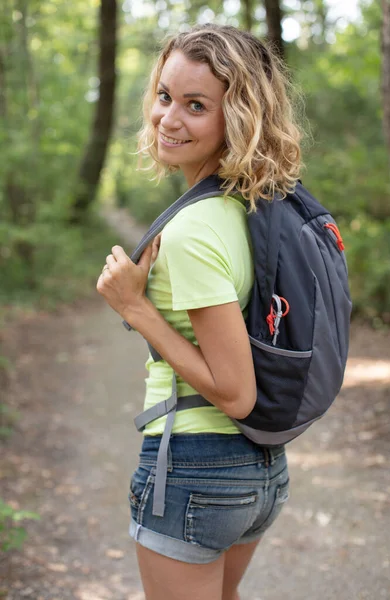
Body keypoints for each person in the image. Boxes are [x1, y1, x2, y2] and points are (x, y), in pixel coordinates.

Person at [97, 23, 303, 600]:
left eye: (195, 105)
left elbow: (235, 391)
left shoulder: (192, 232)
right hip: (258, 470)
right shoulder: (254, 209)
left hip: (195, 468)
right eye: (165, 96)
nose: (168, 118)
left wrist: (136, 308)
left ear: (235, 118)